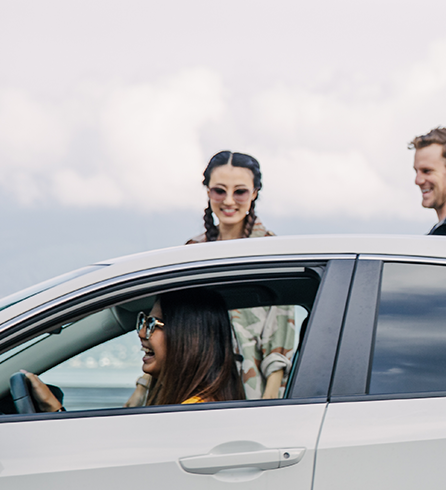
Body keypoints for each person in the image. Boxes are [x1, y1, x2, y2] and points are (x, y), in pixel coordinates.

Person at [176, 150, 296, 402]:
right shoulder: (192, 250)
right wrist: (143, 386)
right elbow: (174, 323)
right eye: (219, 190)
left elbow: (280, 336)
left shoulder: (272, 251)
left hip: (249, 392)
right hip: (195, 389)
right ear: (208, 191)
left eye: (239, 191)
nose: (229, 200)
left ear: (254, 194)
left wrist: (270, 399)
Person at [27, 289, 246, 412]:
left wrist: (55, 412)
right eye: (144, 321)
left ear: (189, 336)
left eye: (153, 324)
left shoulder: (191, 413)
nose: (141, 333)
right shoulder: (192, 406)